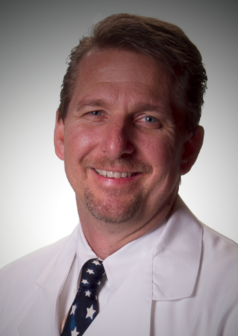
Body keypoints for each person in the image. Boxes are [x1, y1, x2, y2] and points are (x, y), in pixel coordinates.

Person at [0, 13, 237, 336]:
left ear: (188, 148)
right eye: (95, 113)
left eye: (148, 119)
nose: (115, 146)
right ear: (60, 133)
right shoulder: (9, 286)